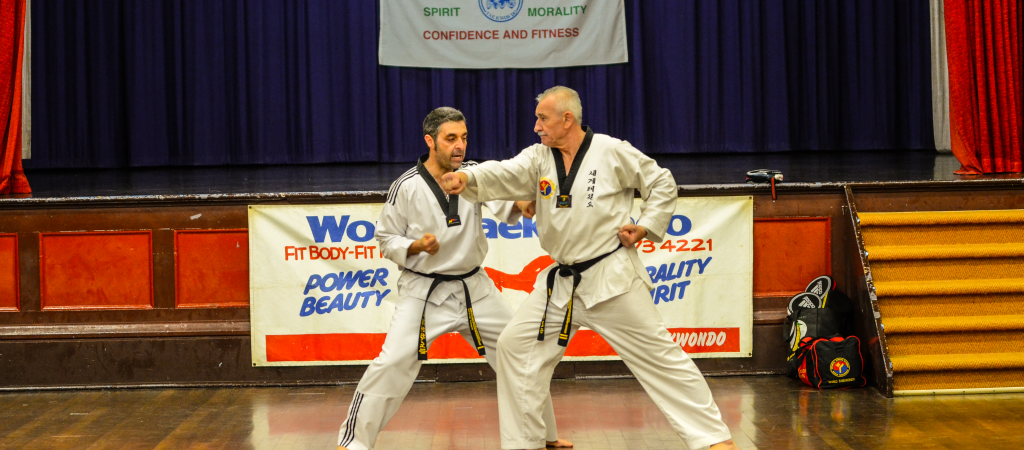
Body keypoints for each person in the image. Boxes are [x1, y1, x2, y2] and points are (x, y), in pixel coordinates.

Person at [441, 87, 739, 450]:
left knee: (660, 358)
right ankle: (526, 443)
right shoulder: (539, 158)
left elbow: (660, 181)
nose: (536, 126)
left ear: (568, 120)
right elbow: (504, 174)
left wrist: (646, 225)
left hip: (610, 277)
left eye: (543, 119)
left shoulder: (612, 151)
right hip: (561, 283)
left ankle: (713, 440)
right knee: (514, 347)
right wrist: (468, 180)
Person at [336, 107, 572, 450]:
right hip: (423, 292)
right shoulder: (406, 186)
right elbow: (386, 239)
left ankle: (544, 436)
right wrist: (415, 245)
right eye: (450, 139)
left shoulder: (473, 175)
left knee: (521, 355)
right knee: (392, 362)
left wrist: (524, 203)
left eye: (463, 138)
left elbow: (506, 203)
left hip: (475, 289)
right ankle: (352, 442)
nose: (459, 146)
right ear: (430, 141)